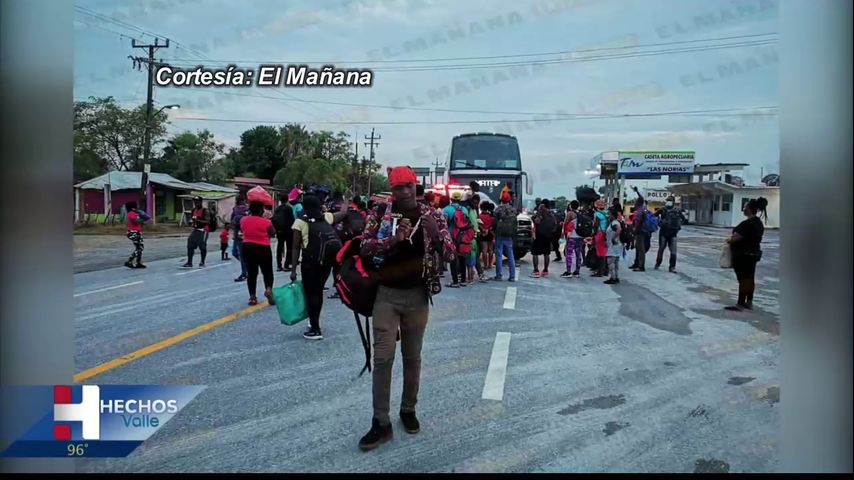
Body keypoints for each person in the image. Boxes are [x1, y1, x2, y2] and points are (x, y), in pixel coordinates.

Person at [358, 166, 455, 451]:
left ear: (416, 186)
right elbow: (364, 247)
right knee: (383, 359)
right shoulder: (378, 214)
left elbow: (450, 254)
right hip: (386, 296)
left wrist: (437, 237)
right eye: (398, 187)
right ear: (392, 189)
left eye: (408, 186)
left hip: (417, 296)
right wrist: (393, 240)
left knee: (412, 357)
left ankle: (408, 409)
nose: (404, 192)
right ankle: (380, 422)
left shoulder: (432, 215)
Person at [290, 194, 337, 340]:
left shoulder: (300, 222)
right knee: (318, 292)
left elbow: (296, 247)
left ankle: (315, 329)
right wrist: (347, 200)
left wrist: (293, 270)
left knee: (311, 294)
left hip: (309, 263)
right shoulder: (326, 218)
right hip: (325, 262)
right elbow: (342, 213)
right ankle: (314, 322)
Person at [725, 197, 767, 311]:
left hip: (742, 254)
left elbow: (738, 237)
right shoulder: (759, 223)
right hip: (753, 253)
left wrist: (729, 240)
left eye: (745, 207)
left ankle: (740, 303)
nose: (743, 209)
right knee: (750, 278)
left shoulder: (747, 223)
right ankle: (749, 301)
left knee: (743, 279)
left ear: (749, 209)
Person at [241, 201, 277, 306]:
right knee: (267, 272)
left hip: (247, 247)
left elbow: (243, 230)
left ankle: (252, 297)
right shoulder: (266, 222)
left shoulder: (244, 220)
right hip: (263, 248)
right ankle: (269, 289)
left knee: (252, 273)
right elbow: (273, 233)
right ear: (261, 210)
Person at [442, 191, 472, 287]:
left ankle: (455, 281)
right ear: (459, 200)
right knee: (462, 258)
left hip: (452, 237)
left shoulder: (446, 209)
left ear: (451, 199)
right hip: (463, 237)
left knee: (453, 258)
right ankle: (463, 280)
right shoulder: (464, 210)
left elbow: (444, 224)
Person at [655, 195, 687, 273]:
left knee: (662, 249)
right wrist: (679, 226)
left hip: (664, 233)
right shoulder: (677, 210)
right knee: (673, 251)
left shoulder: (662, 209)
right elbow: (683, 219)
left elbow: (653, 216)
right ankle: (672, 267)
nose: (668, 202)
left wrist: (659, 222)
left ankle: (658, 263)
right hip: (673, 233)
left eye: (669, 201)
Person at [493, 192, 517, 281]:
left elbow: (494, 220)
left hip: (499, 234)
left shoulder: (498, 209)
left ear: (501, 200)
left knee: (499, 255)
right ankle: (512, 276)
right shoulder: (513, 209)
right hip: (509, 234)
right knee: (510, 254)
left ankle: (499, 275)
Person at [182, 196, 210, 268]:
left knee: (202, 246)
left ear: (201, 202)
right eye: (194, 202)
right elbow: (192, 220)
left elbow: (207, 221)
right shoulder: (193, 210)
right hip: (196, 229)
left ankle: (202, 261)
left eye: (197, 202)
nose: (196, 203)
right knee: (190, 243)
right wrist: (191, 223)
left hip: (204, 230)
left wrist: (197, 220)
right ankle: (189, 262)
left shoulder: (205, 211)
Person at [530, 201, 556, 278]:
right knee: (546, 254)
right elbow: (555, 225)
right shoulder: (551, 214)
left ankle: (536, 271)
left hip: (539, 235)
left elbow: (536, 221)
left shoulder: (541, 212)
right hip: (547, 236)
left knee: (535, 253)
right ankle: (545, 271)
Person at [630, 187, 652, 272]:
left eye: (635, 202)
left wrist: (635, 231)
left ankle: (641, 266)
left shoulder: (639, 211)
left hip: (640, 232)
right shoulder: (644, 209)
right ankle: (637, 263)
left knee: (641, 249)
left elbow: (638, 223)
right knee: (639, 248)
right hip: (646, 232)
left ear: (638, 203)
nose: (634, 204)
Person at [273, 194, 296, 272]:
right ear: (287, 200)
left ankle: (279, 266)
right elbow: (292, 220)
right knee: (289, 248)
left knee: (280, 246)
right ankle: (286, 265)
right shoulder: (289, 208)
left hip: (279, 231)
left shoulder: (277, 209)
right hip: (288, 230)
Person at [561, 201, 583, 278]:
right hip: (579, 236)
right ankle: (577, 271)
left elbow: (565, 223)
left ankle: (568, 271)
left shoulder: (570, 213)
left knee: (569, 254)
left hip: (571, 236)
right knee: (578, 254)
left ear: (570, 206)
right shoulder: (580, 214)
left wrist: (563, 234)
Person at [231, 195, 250, 282]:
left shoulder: (237, 210)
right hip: (240, 234)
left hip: (239, 234)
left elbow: (232, 221)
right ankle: (246, 268)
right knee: (237, 253)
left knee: (240, 254)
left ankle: (244, 273)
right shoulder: (246, 209)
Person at [124, 201, 148, 269]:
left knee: (139, 248)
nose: (137, 207)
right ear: (133, 207)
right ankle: (129, 261)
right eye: (136, 205)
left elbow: (140, 222)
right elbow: (136, 221)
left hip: (136, 232)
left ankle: (138, 263)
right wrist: (143, 219)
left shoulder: (135, 213)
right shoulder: (131, 213)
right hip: (133, 232)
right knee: (140, 248)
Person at [604, 207, 623, 285]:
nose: (609, 216)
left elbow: (619, 229)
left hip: (614, 245)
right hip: (616, 245)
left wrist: (613, 238)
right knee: (615, 262)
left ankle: (613, 277)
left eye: (609, 214)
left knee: (610, 262)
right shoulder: (615, 222)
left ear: (612, 215)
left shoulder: (614, 223)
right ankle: (616, 277)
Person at [478, 201, 495, 278]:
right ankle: (490, 264)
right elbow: (493, 224)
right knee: (491, 249)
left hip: (482, 233)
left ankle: (485, 265)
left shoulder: (480, 216)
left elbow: (478, 224)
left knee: (484, 250)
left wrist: (483, 230)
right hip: (490, 234)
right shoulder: (491, 216)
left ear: (481, 208)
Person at [593, 199, 609, 277]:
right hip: (607, 233)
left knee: (600, 253)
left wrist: (593, 234)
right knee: (605, 253)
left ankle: (600, 271)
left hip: (600, 233)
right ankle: (606, 270)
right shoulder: (608, 213)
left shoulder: (597, 214)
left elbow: (596, 225)